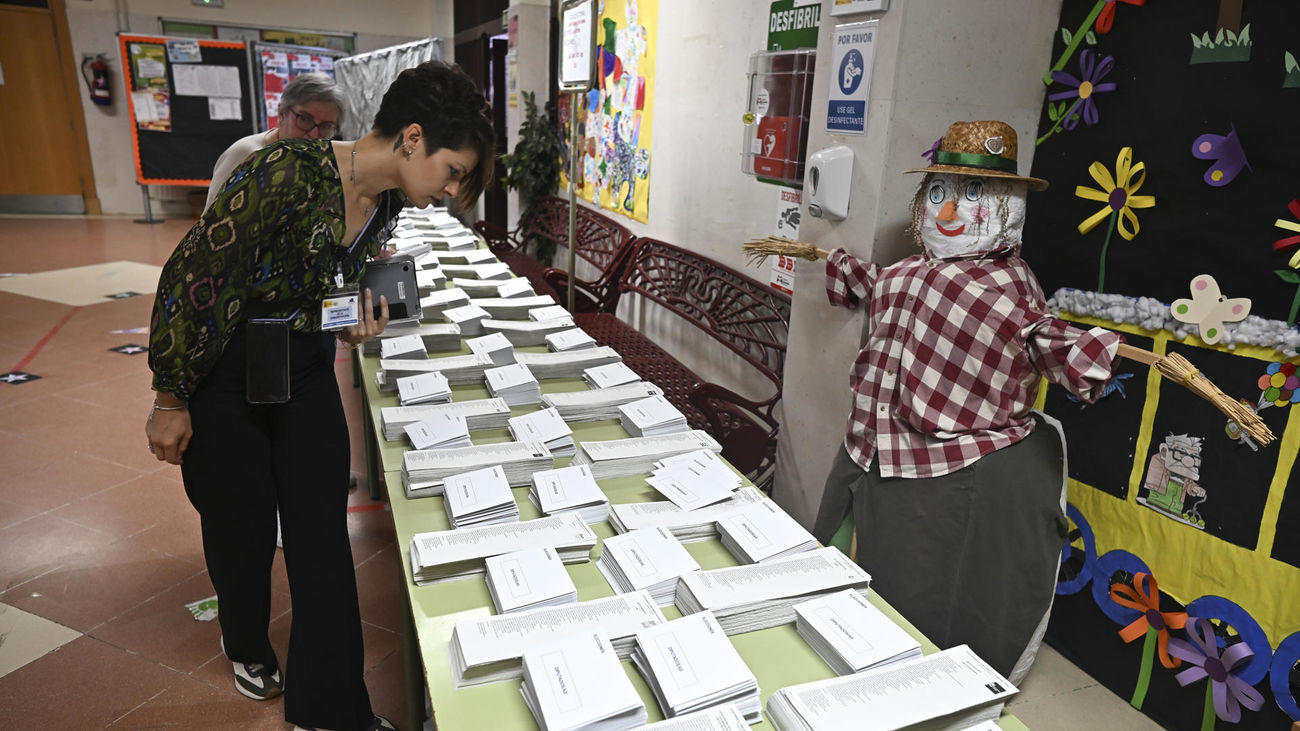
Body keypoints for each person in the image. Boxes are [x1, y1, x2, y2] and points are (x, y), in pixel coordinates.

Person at [145, 61, 494, 731]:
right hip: (223, 376)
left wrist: (355, 316)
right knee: (241, 530)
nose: (450, 189)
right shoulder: (284, 174)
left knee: (321, 543)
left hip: (301, 370)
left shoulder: (388, 201)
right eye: (452, 170)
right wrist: (170, 395)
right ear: (413, 138)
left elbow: (318, 289)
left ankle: (329, 711)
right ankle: (245, 640)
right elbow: (192, 281)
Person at [751, 120, 1124, 684]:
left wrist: (1076, 350)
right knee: (841, 559)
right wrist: (843, 267)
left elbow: (1040, 337)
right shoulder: (908, 273)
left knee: (916, 592)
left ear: (1007, 205)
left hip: (948, 458)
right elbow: (879, 283)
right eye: (940, 194)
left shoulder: (1008, 288)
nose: (949, 213)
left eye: (972, 195)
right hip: (869, 444)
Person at [205, 71, 346, 211]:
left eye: (326, 126)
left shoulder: (325, 163)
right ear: (281, 112)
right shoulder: (247, 154)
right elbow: (210, 223)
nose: (314, 134)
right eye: (304, 119)